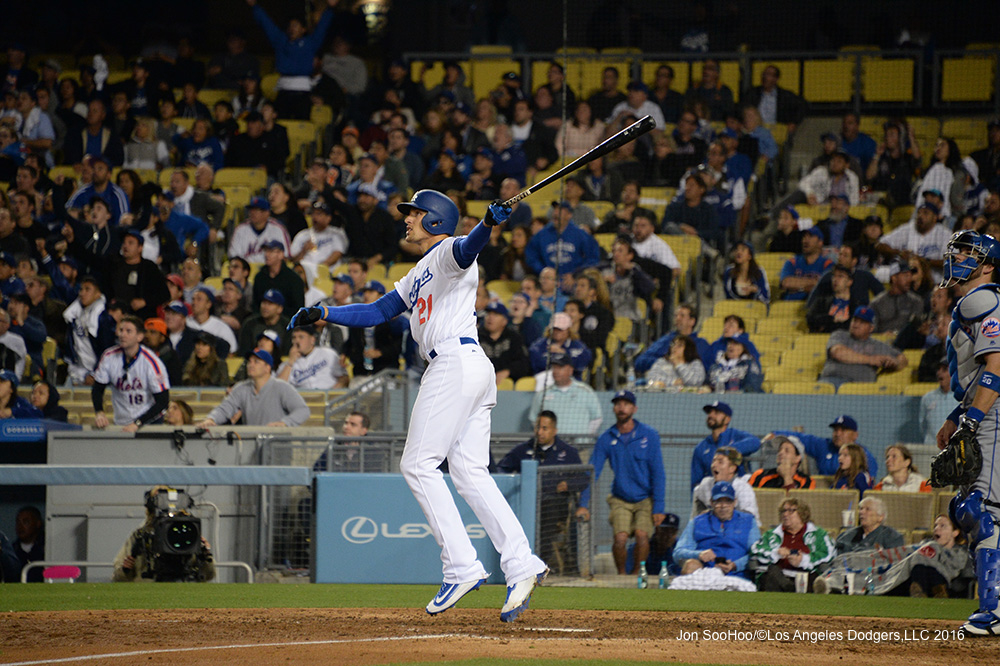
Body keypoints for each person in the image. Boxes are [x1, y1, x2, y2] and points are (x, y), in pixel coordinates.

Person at [285, 189, 548, 621]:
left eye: (415, 214)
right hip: (470, 366)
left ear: (435, 221)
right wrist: (325, 314)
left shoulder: (446, 250)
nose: (406, 220)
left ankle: (461, 567)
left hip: (454, 362)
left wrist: (486, 225)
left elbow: (466, 249)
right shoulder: (419, 270)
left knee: (418, 464)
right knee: (468, 471)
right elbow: (377, 310)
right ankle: (522, 563)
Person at [931, 229, 1000, 634]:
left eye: (968, 253)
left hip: (993, 416)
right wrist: (957, 416)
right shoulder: (974, 302)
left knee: (980, 511)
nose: (957, 257)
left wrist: (971, 421)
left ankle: (992, 612)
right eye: (956, 251)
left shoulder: (984, 298)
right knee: (979, 510)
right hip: (983, 412)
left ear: (988, 264)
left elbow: (996, 368)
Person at [576, 390, 665, 576]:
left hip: (645, 499)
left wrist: (658, 507)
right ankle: (622, 575)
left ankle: (636, 574)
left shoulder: (649, 435)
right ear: (614, 408)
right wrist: (584, 504)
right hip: (620, 498)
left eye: (626, 404)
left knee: (642, 536)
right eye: (618, 404)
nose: (621, 407)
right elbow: (593, 472)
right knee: (620, 539)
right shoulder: (606, 438)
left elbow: (658, 473)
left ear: (634, 408)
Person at [497, 411, 587, 575]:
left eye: (545, 428)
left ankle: (540, 563)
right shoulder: (523, 450)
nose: (540, 432)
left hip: (555, 505)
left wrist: (568, 484)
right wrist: (516, 479)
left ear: (554, 430)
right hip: (525, 504)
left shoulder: (568, 452)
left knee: (548, 517)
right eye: (538, 427)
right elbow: (501, 469)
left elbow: (584, 478)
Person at [814, 514, 970, 598]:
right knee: (916, 560)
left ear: (955, 532)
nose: (937, 529)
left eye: (943, 526)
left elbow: (955, 568)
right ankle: (833, 583)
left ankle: (927, 588)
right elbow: (903, 555)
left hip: (933, 579)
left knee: (922, 561)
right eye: (936, 525)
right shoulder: (925, 545)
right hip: (904, 578)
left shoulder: (960, 553)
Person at [111, 486, 215, 582]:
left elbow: (209, 574)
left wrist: (206, 554)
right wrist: (126, 568)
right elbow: (119, 576)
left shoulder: (188, 533)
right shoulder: (141, 536)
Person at [91, 315, 171, 431]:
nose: (122, 335)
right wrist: (99, 412)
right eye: (121, 330)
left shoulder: (151, 362)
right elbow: (97, 389)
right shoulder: (109, 356)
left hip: (149, 422)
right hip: (121, 421)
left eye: (128, 331)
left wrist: (138, 423)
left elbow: (163, 401)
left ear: (139, 336)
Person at [199, 347, 309, 427]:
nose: (251, 365)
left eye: (256, 362)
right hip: (252, 444)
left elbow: (302, 410)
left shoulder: (281, 387)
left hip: (277, 445)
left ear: (267, 368)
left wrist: (285, 423)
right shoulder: (241, 388)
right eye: (249, 362)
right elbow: (225, 408)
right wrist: (211, 419)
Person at [674, 481, 760, 578]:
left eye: (728, 501)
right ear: (711, 502)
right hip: (705, 574)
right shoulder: (697, 522)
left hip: (737, 575)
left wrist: (736, 565)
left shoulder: (748, 521)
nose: (723, 506)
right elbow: (678, 553)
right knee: (691, 565)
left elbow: (757, 553)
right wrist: (698, 554)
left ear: (735, 502)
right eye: (718, 501)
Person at [750, 498, 835, 593]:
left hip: (806, 576)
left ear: (803, 513)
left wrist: (803, 560)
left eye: (791, 511)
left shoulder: (818, 534)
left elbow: (828, 554)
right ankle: (790, 588)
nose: (785, 514)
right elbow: (755, 550)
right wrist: (776, 553)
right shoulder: (771, 534)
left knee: (815, 577)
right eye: (783, 511)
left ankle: (793, 588)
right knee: (772, 571)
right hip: (778, 578)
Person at [767, 414, 879, 479]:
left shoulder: (864, 455)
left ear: (855, 435)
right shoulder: (824, 446)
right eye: (835, 430)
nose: (838, 434)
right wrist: (776, 433)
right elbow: (802, 438)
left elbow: (870, 482)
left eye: (843, 430)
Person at [690, 401, 761, 491]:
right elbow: (696, 482)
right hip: (713, 496)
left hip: (738, 492)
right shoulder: (701, 448)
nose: (711, 415)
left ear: (727, 419)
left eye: (716, 413)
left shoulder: (736, 435)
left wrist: (729, 450)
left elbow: (755, 442)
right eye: (709, 413)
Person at [526, 353, 603, 435]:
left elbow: (597, 419)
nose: (556, 371)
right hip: (553, 446)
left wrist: (583, 436)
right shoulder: (542, 394)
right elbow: (534, 420)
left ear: (570, 370)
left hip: (579, 445)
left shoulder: (586, 391)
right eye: (554, 368)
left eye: (560, 367)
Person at [691, 447, 759, 523]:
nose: (713, 465)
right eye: (713, 461)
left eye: (720, 462)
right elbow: (696, 513)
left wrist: (716, 514)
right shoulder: (706, 484)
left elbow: (749, 518)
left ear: (732, 468)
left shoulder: (743, 488)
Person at [277, 325, 347, 390]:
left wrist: (333, 392)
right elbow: (278, 388)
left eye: (301, 337)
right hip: (305, 400)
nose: (297, 341)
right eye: (294, 338)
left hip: (330, 398)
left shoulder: (328, 353)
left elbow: (344, 378)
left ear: (312, 339)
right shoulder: (287, 365)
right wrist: (291, 362)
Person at [834, 496, 904, 555]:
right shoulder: (845, 536)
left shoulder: (893, 538)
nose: (861, 512)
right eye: (861, 509)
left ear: (880, 517)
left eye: (868, 509)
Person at [869, 262, 924, 335]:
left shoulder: (916, 301)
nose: (909, 279)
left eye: (910, 276)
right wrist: (883, 336)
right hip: (883, 343)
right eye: (906, 276)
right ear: (894, 278)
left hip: (907, 344)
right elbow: (871, 331)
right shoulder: (877, 303)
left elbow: (916, 329)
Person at [749, 435, 816, 490]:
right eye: (779, 450)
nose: (780, 453)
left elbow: (798, 504)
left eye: (787, 450)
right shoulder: (759, 475)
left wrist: (787, 478)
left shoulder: (807, 482)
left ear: (797, 458)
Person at [920, 363, 958, 446]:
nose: (939, 373)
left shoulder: (960, 397)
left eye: (944, 370)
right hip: (931, 447)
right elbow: (922, 425)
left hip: (955, 447)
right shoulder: (927, 398)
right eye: (938, 369)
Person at [8, 506, 44, 582]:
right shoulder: (10, 551)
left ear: (38, 523)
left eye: (26, 522)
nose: (20, 527)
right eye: (18, 522)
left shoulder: (47, 549)